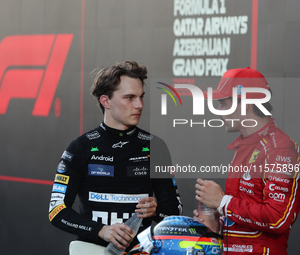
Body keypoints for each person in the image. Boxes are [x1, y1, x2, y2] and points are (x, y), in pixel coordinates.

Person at [48, 61, 182, 253]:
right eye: (129, 98)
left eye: (141, 97)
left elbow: (175, 210)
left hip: (141, 250)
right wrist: (101, 231)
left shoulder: (155, 146)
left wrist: (156, 210)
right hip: (92, 249)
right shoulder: (80, 148)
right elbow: (56, 210)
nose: (139, 105)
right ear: (106, 101)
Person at [194, 67, 300, 254]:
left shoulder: (279, 148)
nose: (218, 112)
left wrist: (222, 202)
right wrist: (218, 223)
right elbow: (245, 217)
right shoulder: (246, 146)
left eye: (223, 104)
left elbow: (277, 219)